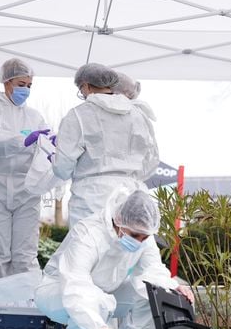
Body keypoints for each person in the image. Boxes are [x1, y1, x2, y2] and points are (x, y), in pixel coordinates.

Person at [34, 189, 194, 329]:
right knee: (96, 299)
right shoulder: (89, 234)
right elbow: (76, 287)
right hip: (57, 292)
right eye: (134, 235)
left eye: (145, 237)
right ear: (119, 220)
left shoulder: (143, 238)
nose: (139, 242)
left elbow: (153, 269)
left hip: (106, 291)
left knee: (152, 293)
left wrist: (173, 287)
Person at [52, 63, 159, 227]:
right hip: (131, 194)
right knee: (125, 249)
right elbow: (151, 161)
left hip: (91, 197)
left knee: (88, 249)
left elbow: (62, 167)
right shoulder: (138, 115)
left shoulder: (79, 114)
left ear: (86, 86)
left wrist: (54, 157)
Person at [0, 58, 49, 279]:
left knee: (26, 257)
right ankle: (0, 309)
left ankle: (26, 308)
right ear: (7, 82)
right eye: (21, 84)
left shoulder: (35, 117)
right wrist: (21, 140)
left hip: (27, 190)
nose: (26, 90)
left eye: (29, 86)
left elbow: (46, 147)